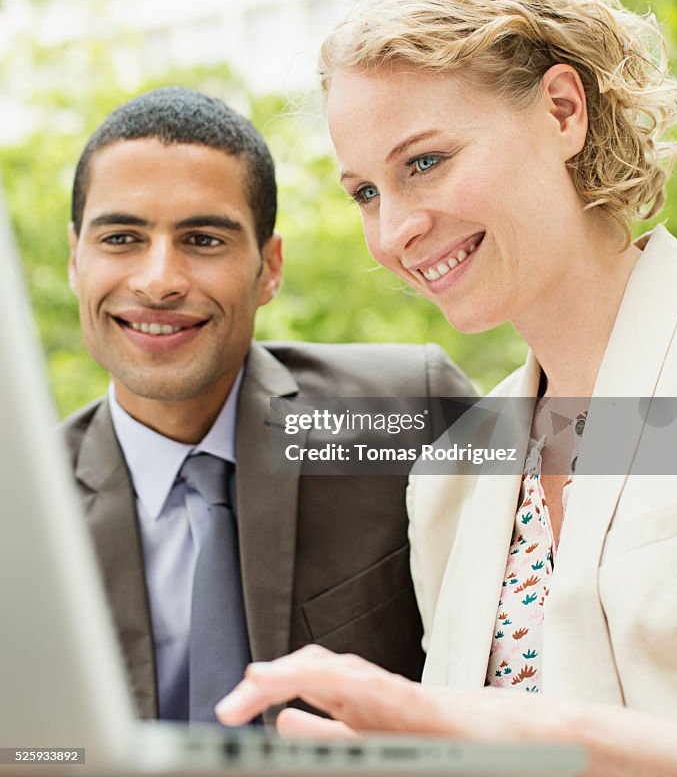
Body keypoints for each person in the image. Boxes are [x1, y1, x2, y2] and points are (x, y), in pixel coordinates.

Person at [215, 0, 677, 774]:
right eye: (365, 192)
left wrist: (517, 737)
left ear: (564, 110)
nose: (393, 232)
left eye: (424, 162)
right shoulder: (451, 477)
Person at [61, 85, 473, 724]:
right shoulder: (24, 508)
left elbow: (621, 459)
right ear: (74, 260)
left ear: (270, 269)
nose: (159, 280)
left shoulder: (407, 409)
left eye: (203, 240)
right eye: (120, 238)